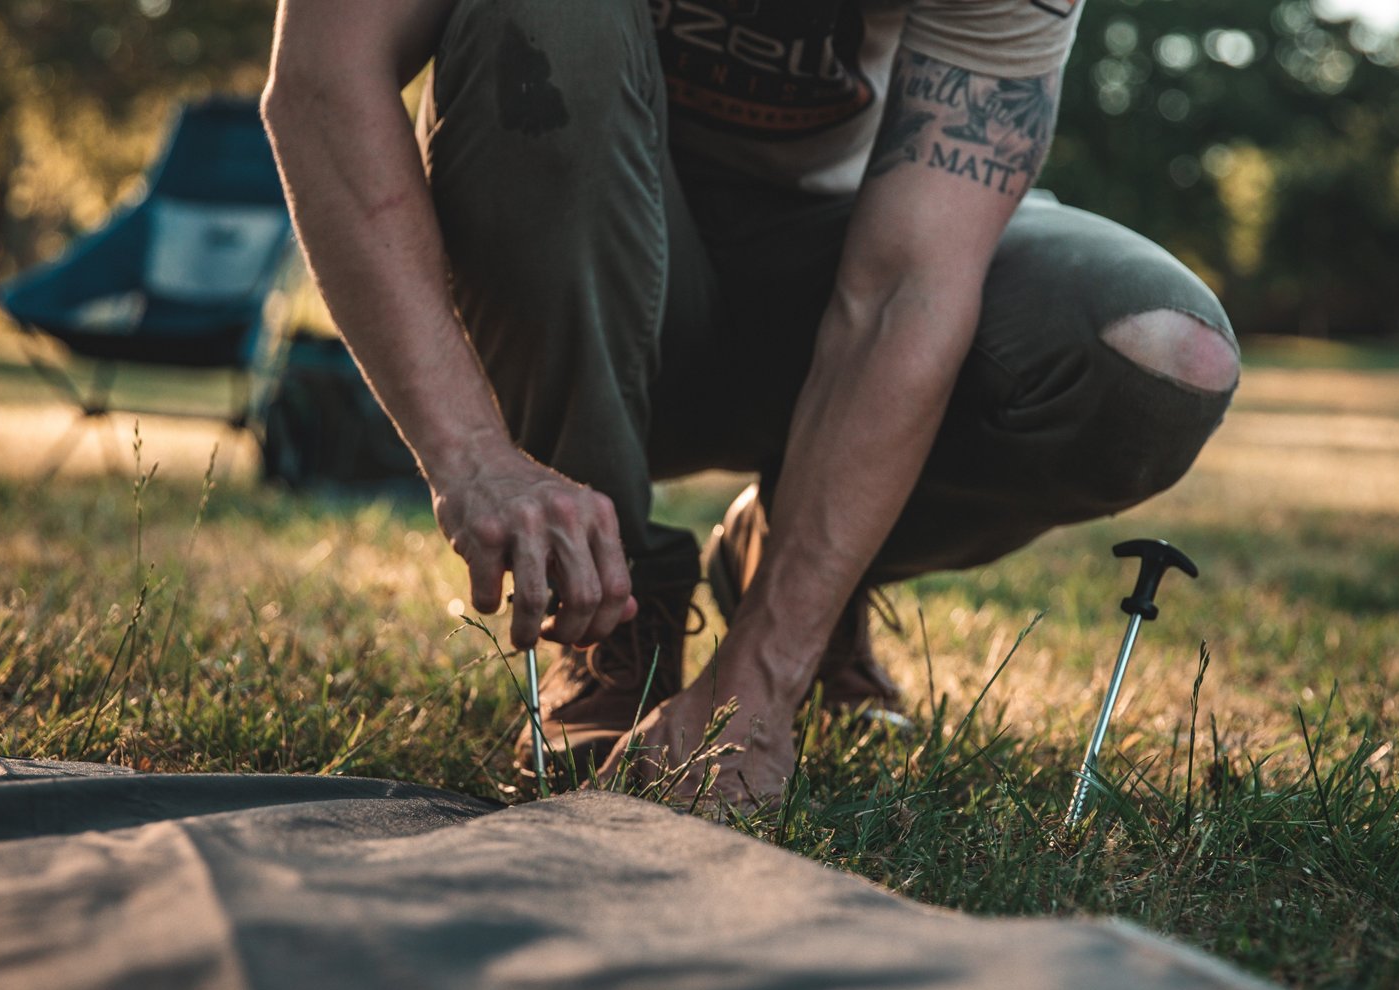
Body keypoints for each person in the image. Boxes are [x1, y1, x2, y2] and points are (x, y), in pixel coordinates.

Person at [262, 0, 1240, 805]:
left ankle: (788, 562)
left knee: (1158, 361)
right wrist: (473, 456)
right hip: (585, 265)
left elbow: (906, 291)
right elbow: (320, 82)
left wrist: (762, 679)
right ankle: (612, 614)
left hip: (835, 274)